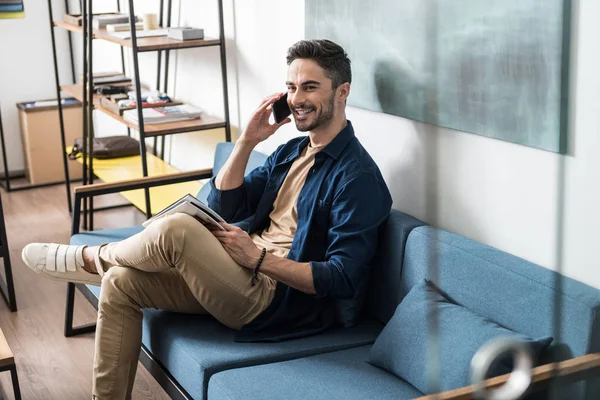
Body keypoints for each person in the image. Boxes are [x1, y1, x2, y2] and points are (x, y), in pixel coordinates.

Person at [21, 39, 392, 400]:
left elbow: (341, 278)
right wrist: (247, 141)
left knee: (177, 229)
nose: (295, 99)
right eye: (291, 87)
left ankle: (88, 259)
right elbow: (227, 205)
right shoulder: (292, 150)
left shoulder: (357, 178)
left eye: (310, 88)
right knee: (120, 281)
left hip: (275, 300)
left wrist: (257, 258)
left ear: (342, 92)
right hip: (237, 273)